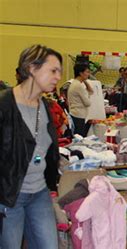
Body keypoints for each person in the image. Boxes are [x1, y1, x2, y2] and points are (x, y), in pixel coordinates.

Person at [0, 44, 62, 248]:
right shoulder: (4, 104)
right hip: (9, 196)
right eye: (53, 70)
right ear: (32, 68)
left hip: (39, 192)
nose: (58, 77)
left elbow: (47, 152)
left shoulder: (45, 106)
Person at [68, 64, 93, 137]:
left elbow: (91, 91)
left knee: (78, 137)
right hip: (78, 115)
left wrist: (85, 81)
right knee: (79, 138)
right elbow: (87, 103)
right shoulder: (78, 86)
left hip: (76, 114)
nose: (89, 74)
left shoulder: (76, 83)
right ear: (81, 73)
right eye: (87, 72)